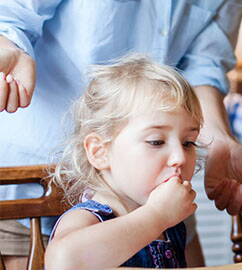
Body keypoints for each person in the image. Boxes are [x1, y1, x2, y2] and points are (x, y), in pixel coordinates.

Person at [0, 0, 242, 267]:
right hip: (35, 182)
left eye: (189, 144)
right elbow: (12, 15)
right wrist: (9, 47)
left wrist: (220, 140)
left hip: (148, 186)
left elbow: (204, 65)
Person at [45, 55, 201, 268]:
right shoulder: (88, 218)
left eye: (188, 143)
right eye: (156, 142)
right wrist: (157, 215)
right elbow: (64, 261)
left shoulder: (171, 223)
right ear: (100, 152)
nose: (180, 157)